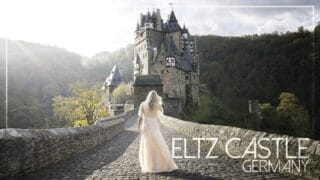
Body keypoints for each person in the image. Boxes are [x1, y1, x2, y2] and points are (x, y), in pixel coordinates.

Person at [137, 90, 178, 173]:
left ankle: (150, 165)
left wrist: (138, 127)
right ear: (156, 97)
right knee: (158, 145)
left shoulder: (143, 104)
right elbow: (161, 115)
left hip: (146, 127)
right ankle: (160, 164)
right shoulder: (158, 105)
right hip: (155, 127)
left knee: (147, 146)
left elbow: (140, 118)